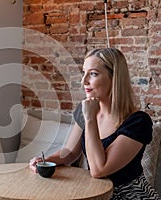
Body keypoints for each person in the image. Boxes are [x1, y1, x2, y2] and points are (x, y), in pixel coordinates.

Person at [29, 48, 161, 199]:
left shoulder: (138, 122)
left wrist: (90, 118)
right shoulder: (84, 110)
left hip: (130, 195)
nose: (83, 80)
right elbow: (70, 152)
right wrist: (45, 160)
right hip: (94, 192)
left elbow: (99, 170)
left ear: (114, 78)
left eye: (93, 74)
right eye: (84, 72)